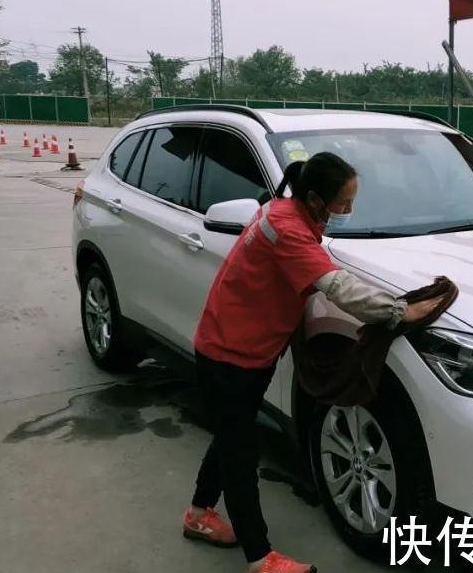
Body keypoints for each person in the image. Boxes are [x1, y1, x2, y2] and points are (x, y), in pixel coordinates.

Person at [183, 151, 446, 573]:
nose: (348, 210)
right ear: (315, 199)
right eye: (343, 202)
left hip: (245, 350)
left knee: (232, 437)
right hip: (229, 355)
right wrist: (400, 311)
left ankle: (198, 514)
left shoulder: (284, 210)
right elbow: (337, 286)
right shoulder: (288, 230)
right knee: (240, 456)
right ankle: (260, 558)